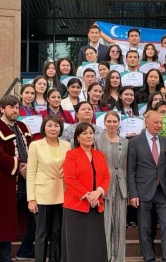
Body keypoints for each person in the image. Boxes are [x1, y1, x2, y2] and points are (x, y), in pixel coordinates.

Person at [0, 95, 34, 262]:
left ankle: (25, 249)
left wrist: (30, 166)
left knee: (35, 215)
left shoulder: (22, 126)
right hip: (4, 180)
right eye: (11, 107)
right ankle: (5, 258)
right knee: (4, 217)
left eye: (17, 107)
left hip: (26, 179)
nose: (15, 110)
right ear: (2, 109)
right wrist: (19, 166)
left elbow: (32, 149)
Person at [127, 111, 166, 262]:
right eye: (156, 122)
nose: (159, 125)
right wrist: (132, 193)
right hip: (142, 192)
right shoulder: (134, 142)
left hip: (163, 192)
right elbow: (131, 169)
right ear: (146, 122)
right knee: (145, 229)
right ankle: (149, 258)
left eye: (161, 122)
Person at [62, 123, 111, 262]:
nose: (89, 136)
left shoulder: (100, 155)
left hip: (96, 205)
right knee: (77, 244)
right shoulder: (72, 154)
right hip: (75, 206)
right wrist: (88, 196)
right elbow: (69, 178)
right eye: (84, 133)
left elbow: (107, 177)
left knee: (95, 244)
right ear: (77, 137)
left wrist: (98, 192)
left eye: (91, 133)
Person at [26, 114, 70, 262]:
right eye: (50, 125)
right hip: (42, 195)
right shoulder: (36, 145)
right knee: (41, 234)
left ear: (61, 128)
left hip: (62, 194)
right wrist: (31, 199)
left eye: (56, 125)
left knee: (57, 232)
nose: (53, 129)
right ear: (44, 127)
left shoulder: (66, 145)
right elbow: (31, 173)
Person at [95, 112, 129, 262]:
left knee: (120, 224)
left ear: (119, 123)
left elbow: (127, 166)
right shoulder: (97, 140)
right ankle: (105, 257)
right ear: (104, 123)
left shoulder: (126, 142)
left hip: (121, 183)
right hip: (103, 184)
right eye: (109, 121)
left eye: (115, 121)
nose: (112, 124)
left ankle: (119, 258)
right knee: (105, 223)